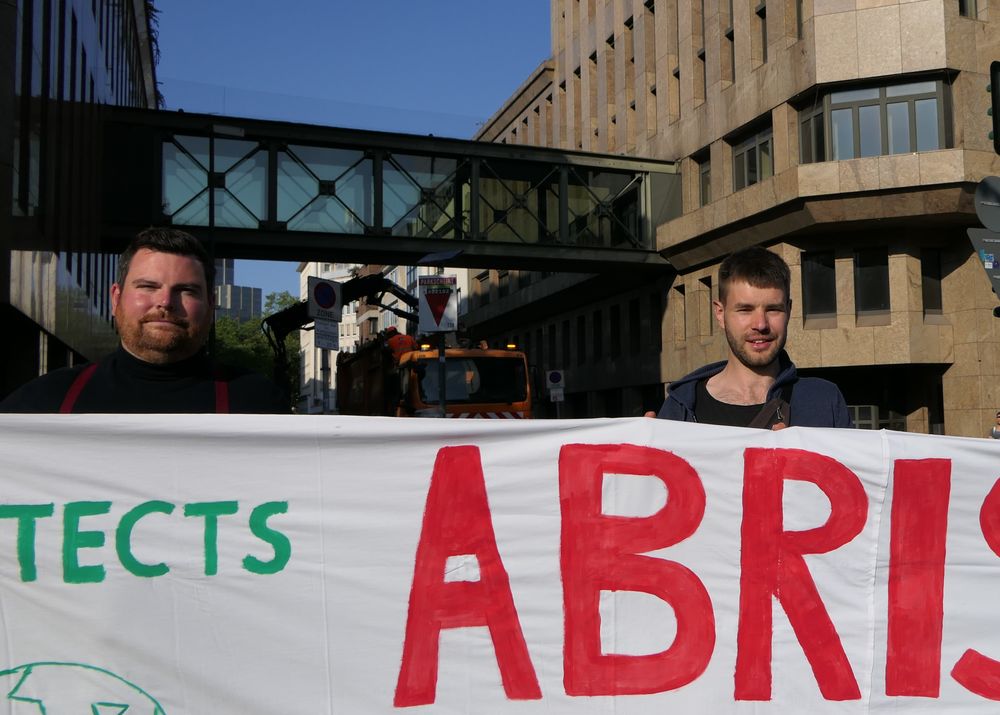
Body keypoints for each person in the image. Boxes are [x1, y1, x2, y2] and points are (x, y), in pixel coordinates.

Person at [0, 228, 289, 413]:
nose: (165, 302)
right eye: (148, 287)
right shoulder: (42, 403)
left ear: (211, 305)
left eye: (186, 290)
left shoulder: (258, 403)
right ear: (116, 298)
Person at [653, 246, 852, 429]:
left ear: (789, 311)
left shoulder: (824, 401)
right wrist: (638, 460)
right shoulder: (680, 409)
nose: (761, 324)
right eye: (745, 310)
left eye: (773, 309)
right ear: (720, 313)